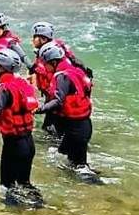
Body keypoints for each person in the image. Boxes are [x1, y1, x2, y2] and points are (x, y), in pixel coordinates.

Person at [0, 46, 43, 206]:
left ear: (1, 67)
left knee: (6, 186)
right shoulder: (24, 84)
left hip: (13, 144)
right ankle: (40, 208)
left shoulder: (4, 88)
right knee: (25, 182)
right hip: (28, 143)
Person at [37, 42, 101, 182]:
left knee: (79, 167)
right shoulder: (74, 70)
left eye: (45, 63)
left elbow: (58, 100)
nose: (45, 67)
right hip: (82, 124)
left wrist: (39, 109)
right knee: (61, 153)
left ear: (53, 62)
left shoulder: (62, 77)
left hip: (77, 129)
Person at [30, 23, 90, 138]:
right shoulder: (52, 53)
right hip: (56, 99)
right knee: (51, 131)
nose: (32, 40)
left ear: (43, 38)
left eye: (34, 37)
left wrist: (39, 109)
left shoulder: (54, 60)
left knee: (51, 131)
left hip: (58, 101)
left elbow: (59, 92)